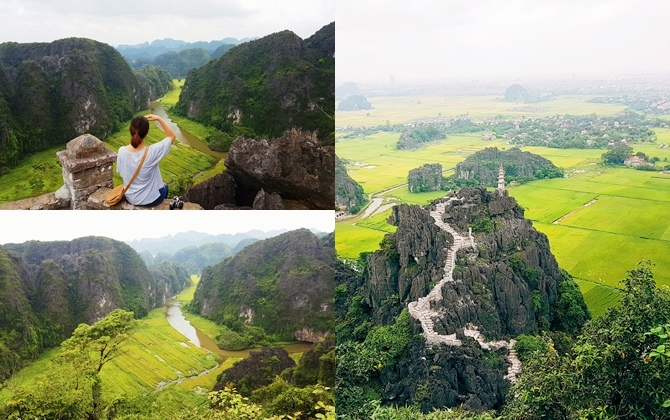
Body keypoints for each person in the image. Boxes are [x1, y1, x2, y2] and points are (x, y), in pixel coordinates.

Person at [116, 114, 176, 207]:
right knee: (165, 186)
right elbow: (172, 136)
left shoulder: (121, 151)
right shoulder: (152, 152)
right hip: (151, 200)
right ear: (147, 133)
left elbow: (122, 173)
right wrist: (159, 118)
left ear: (130, 131)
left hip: (131, 198)